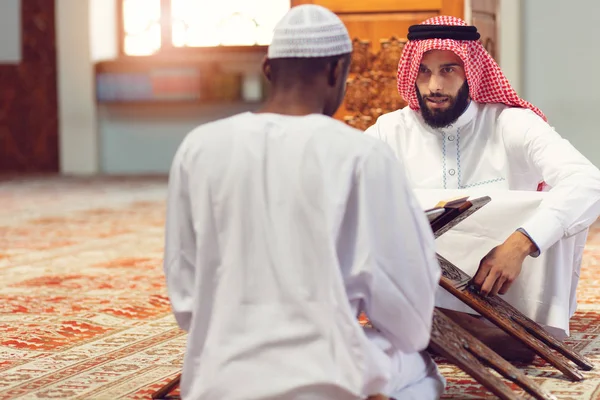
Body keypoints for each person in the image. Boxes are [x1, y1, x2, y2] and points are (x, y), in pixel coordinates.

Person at [163, 4, 445, 400]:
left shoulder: (199, 146)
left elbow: (186, 300)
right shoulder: (362, 155)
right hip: (324, 379)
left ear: (267, 69)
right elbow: (410, 320)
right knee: (424, 371)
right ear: (337, 71)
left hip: (218, 378)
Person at [364, 15, 600, 362]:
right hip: (419, 286)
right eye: (424, 72)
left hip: (508, 290)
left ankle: (445, 329)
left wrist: (522, 243)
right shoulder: (391, 131)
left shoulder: (511, 123)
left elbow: (588, 181)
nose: (433, 86)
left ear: (472, 72)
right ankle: (444, 324)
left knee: (549, 207)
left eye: (448, 70)